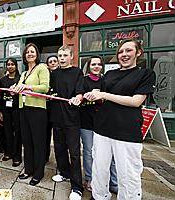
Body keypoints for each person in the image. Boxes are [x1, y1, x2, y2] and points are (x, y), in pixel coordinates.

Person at [83, 39, 156, 200]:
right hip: (102, 128)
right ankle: (99, 196)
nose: (124, 55)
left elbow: (136, 101)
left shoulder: (145, 74)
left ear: (138, 53)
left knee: (128, 173)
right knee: (99, 168)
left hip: (127, 131)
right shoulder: (110, 74)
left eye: (128, 50)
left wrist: (104, 95)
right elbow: (100, 95)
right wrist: (89, 95)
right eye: (121, 52)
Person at [12, 43, 50, 186]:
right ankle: (28, 169)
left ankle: (38, 173)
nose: (30, 54)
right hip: (24, 109)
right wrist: (14, 89)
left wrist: (27, 87)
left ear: (37, 54)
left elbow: (45, 88)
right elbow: (19, 89)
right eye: (27, 52)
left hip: (37, 110)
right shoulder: (23, 73)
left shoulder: (42, 68)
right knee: (26, 142)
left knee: (38, 142)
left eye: (32, 51)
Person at [50, 46, 84, 200]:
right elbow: (50, 91)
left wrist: (78, 98)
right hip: (57, 117)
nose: (61, 58)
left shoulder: (77, 72)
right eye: (59, 55)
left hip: (72, 119)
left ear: (71, 56)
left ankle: (77, 187)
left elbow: (80, 92)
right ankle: (64, 173)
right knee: (59, 149)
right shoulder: (54, 73)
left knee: (75, 153)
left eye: (64, 55)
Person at [79, 56, 118, 193]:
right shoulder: (83, 80)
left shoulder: (106, 81)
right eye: (93, 64)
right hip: (86, 122)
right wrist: (84, 96)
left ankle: (113, 182)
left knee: (109, 154)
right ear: (89, 66)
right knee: (88, 152)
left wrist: (101, 96)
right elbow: (79, 96)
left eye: (99, 64)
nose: (96, 66)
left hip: (104, 122)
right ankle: (89, 179)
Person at [0, 58, 22, 167]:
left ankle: (17, 156)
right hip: (6, 109)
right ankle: (8, 152)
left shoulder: (20, 79)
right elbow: (0, 97)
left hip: (17, 109)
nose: (10, 66)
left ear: (16, 66)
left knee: (17, 132)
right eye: (8, 64)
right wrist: (1, 112)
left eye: (12, 64)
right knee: (7, 131)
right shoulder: (3, 80)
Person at [45, 55, 59, 163]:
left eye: (55, 61)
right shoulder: (46, 76)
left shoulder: (61, 75)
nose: (53, 63)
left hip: (58, 110)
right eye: (51, 62)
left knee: (58, 138)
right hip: (46, 109)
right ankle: (45, 157)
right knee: (45, 135)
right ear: (48, 65)